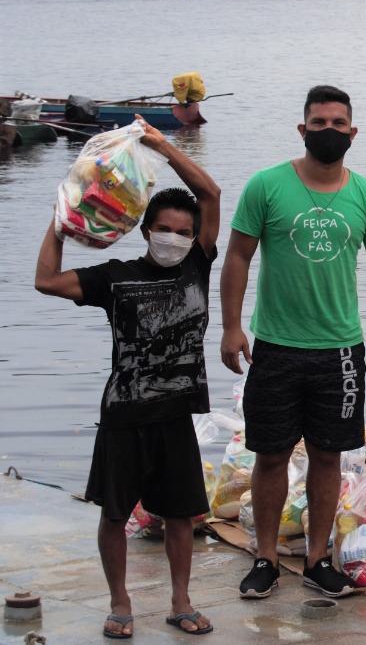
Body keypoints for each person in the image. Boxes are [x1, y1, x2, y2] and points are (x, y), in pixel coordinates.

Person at [35, 116, 220, 638]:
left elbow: (210, 193)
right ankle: (120, 602)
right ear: (145, 230)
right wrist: (60, 222)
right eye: (164, 230)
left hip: (176, 414)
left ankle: (181, 601)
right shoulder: (115, 277)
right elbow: (46, 280)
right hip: (124, 415)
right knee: (114, 514)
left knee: (181, 515)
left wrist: (162, 145)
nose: (173, 239)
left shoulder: (197, 267)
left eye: (183, 232)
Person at [220, 85, 366, 600]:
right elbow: (238, 257)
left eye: (337, 123)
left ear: (353, 133)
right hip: (276, 344)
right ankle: (267, 558)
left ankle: (318, 559)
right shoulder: (266, 185)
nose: (328, 131)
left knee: (327, 456)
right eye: (318, 123)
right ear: (302, 129)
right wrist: (231, 327)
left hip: (340, 348)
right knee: (270, 455)